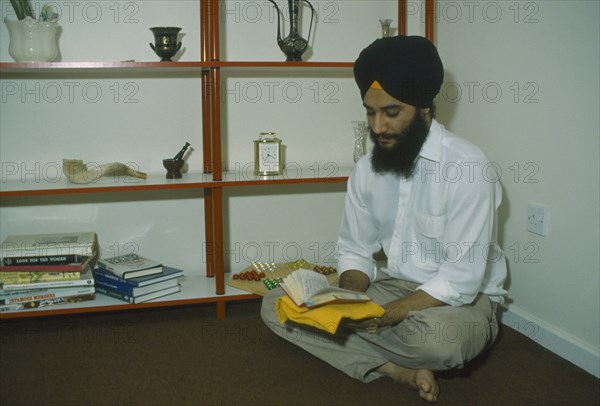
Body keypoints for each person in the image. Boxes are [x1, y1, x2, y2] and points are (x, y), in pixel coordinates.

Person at [261, 35, 508, 403]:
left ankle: (367, 349)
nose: (377, 127)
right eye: (370, 112)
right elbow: (355, 249)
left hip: (459, 303)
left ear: (424, 108)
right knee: (275, 304)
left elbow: (461, 279)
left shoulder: (468, 168)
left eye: (391, 113)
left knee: (441, 345)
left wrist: (386, 315)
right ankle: (394, 370)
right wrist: (346, 296)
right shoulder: (366, 170)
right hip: (395, 285)